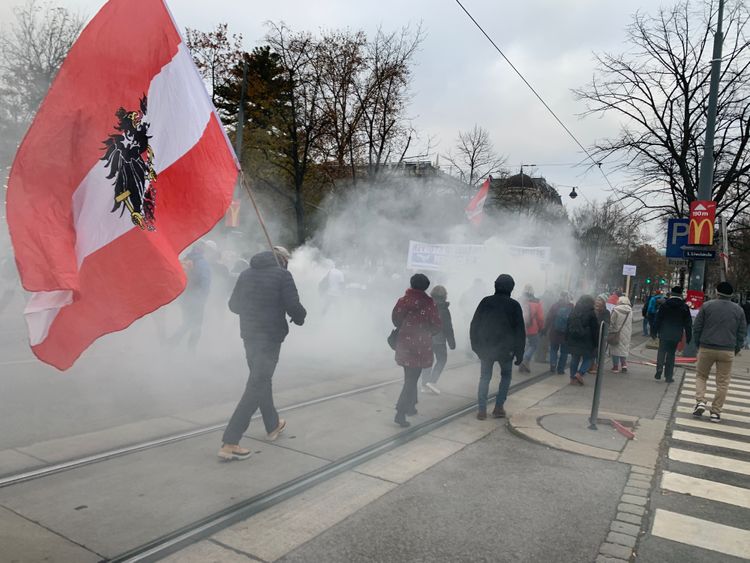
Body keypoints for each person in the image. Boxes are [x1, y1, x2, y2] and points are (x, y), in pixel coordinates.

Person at [218, 246, 307, 461]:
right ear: (283, 260)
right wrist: (300, 317)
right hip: (270, 337)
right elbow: (293, 305)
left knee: (260, 379)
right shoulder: (283, 275)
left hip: (249, 335)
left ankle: (273, 425)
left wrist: (253, 310)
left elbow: (233, 305)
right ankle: (230, 441)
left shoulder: (246, 273)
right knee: (257, 384)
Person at [470, 274, 525, 420]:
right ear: (511, 288)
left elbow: (474, 324)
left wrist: (475, 346)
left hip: (486, 348)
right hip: (506, 350)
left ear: (495, 285)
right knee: (506, 376)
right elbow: (520, 331)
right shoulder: (514, 305)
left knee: (485, 377)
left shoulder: (486, 302)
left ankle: (482, 410)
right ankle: (499, 407)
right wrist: (520, 353)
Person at [692, 281, 747, 423]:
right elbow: (741, 332)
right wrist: (736, 348)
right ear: (731, 295)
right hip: (727, 349)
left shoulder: (707, 306)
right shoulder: (738, 310)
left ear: (717, 292)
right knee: (723, 382)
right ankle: (716, 412)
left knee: (701, 376)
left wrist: (698, 344)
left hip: (706, 347)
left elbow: (697, 327)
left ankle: (701, 401)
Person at [392, 273, 442, 427]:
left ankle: (411, 405)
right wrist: (426, 333)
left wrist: (406, 328)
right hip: (421, 346)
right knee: (412, 379)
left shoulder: (403, 300)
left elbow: (395, 318)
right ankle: (401, 412)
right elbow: (436, 325)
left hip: (405, 343)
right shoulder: (429, 304)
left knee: (409, 376)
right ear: (426, 286)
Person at [170, 242, 212, 350]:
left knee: (187, 322)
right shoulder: (202, 263)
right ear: (203, 251)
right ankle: (189, 350)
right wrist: (203, 298)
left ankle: (173, 343)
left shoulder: (184, 260)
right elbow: (205, 282)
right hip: (196, 300)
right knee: (195, 326)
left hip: (185, 298)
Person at [421, 285, 456, 395]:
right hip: (439, 340)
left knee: (427, 361)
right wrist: (452, 343)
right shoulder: (444, 310)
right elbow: (448, 327)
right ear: (444, 296)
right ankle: (432, 381)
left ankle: (424, 385)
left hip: (426, 339)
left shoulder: (426, 307)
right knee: (441, 360)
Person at [653, 286, 692, 383]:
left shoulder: (664, 305)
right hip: (676, 334)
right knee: (671, 354)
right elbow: (688, 323)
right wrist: (688, 336)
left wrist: (653, 332)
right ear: (681, 294)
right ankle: (668, 376)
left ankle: (659, 368)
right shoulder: (684, 307)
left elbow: (658, 319)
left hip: (664, 332)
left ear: (671, 293)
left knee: (661, 350)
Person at [566, 295, 599, 385]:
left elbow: (568, 324)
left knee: (575, 358)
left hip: (574, 338)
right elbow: (595, 329)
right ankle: (579, 373)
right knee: (588, 358)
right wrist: (596, 343)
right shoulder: (591, 313)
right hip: (587, 340)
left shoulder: (574, 310)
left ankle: (572, 378)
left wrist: (567, 338)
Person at [544, 291, 573, 374]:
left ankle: (553, 364)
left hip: (554, 332)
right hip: (566, 334)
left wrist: (545, 329)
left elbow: (549, 318)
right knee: (564, 352)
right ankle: (560, 369)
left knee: (553, 349)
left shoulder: (555, 306)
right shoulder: (571, 307)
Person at [519, 285, 544, 373]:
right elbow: (540, 318)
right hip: (532, 328)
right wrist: (541, 327)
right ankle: (525, 360)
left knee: (524, 346)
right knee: (534, 345)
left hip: (520, 327)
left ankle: (524, 364)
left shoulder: (520, 300)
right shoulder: (537, 302)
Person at [609, 296, 633, 373]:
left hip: (616, 332)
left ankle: (615, 367)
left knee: (615, 349)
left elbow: (611, 322)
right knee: (623, 349)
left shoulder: (616, 310)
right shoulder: (630, 311)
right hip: (626, 333)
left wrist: (609, 330)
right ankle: (624, 365)